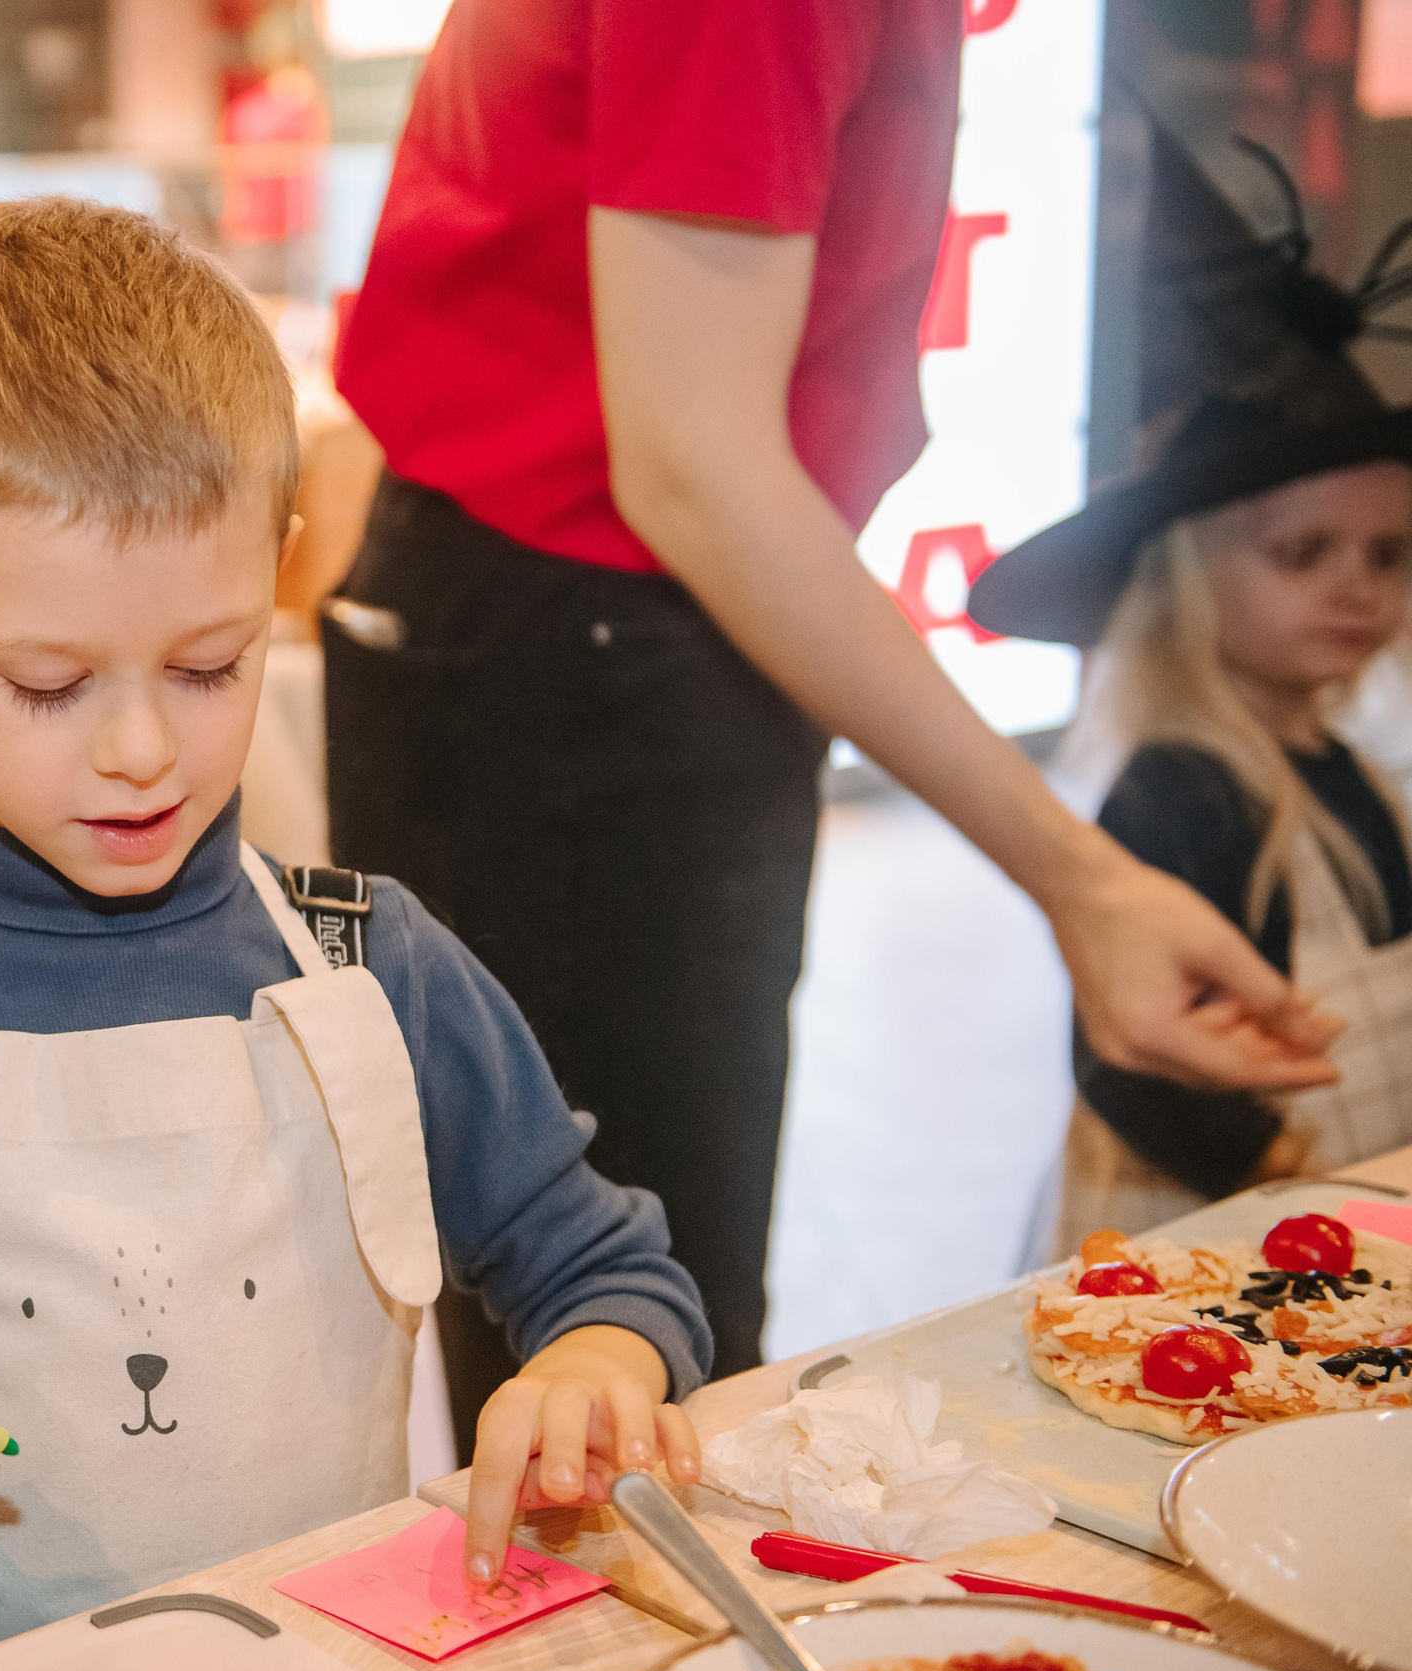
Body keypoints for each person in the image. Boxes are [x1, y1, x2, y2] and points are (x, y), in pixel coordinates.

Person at [0, 199, 711, 1671]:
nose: (142, 749)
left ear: (278, 575)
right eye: (49, 682)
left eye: (209, 663)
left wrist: (592, 1366)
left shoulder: (373, 970)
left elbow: (610, 1269)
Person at [324, 0, 1337, 1419]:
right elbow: (692, 465)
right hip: (573, 642)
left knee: (647, 1313)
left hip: (607, 622)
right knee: (615, 1344)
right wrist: (1082, 880)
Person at [971, 132, 1412, 1250]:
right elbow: (1131, 1062)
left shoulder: (1356, 775)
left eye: (1387, 555)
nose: (1355, 589)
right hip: (1222, 1235)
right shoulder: (1183, 792)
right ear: (1185, 578)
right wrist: (1286, 1184)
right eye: (1301, 553)